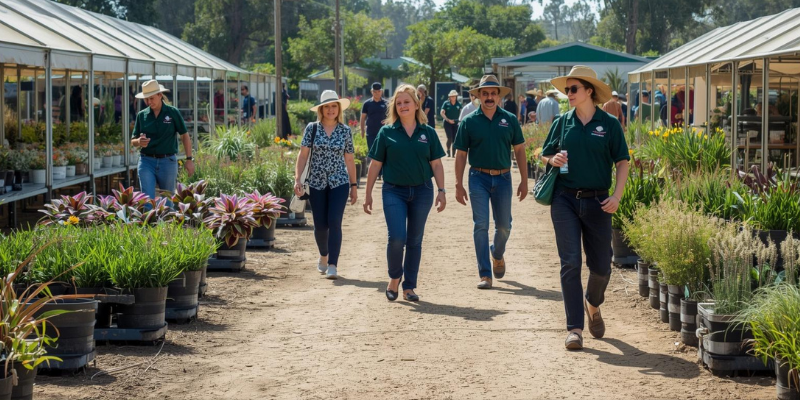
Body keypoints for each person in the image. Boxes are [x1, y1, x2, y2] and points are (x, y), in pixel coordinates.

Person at [539, 65, 630, 351]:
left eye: (573, 89)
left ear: (589, 91)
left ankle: (593, 303)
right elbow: (544, 153)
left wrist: (617, 196)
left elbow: (623, 162)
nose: (568, 94)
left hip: (598, 200)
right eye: (566, 90)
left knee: (602, 266)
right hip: (564, 199)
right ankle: (574, 329)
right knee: (570, 263)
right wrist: (551, 160)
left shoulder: (609, 124)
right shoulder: (562, 121)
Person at [363, 84, 446, 302]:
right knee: (397, 238)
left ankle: (409, 287)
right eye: (398, 103)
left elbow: (436, 164)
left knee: (415, 240)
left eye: (406, 102)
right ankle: (394, 278)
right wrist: (368, 193)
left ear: (417, 103)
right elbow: (375, 164)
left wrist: (442, 190)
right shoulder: (386, 132)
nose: (402, 106)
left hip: (423, 191)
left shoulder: (428, 133)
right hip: (393, 191)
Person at [454, 75, 528, 290]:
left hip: (504, 178)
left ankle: (497, 253)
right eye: (484, 93)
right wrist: (458, 184)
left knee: (504, 226)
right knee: (481, 225)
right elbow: (460, 154)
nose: (488, 97)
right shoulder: (469, 122)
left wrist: (524, 180)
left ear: (498, 96)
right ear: (478, 96)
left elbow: (520, 150)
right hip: (478, 177)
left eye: (492, 93)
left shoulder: (510, 120)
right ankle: (485, 274)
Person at [294, 90, 358, 280]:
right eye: (327, 107)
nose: (331, 110)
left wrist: (354, 185)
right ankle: (324, 255)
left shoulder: (345, 131)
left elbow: (349, 159)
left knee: (334, 222)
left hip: (339, 181)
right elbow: (303, 154)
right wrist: (297, 179)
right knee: (321, 225)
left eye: (334, 106)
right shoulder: (312, 128)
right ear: (321, 109)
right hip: (316, 182)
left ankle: (333, 264)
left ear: (339, 109)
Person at [130, 80, 195, 200]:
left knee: (168, 201)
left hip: (167, 162)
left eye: (151, 98)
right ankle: (150, 219)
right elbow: (133, 140)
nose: (149, 102)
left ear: (160, 95)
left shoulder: (172, 112)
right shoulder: (142, 115)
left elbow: (184, 135)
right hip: (146, 161)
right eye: (146, 99)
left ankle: (168, 218)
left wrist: (189, 159)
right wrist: (139, 141)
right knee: (147, 200)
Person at [360, 82, 388, 178]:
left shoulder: (386, 103)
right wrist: (362, 130)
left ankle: (381, 173)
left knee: (383, 152)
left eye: (378, 91)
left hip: (383, 133)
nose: (377, 93)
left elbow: (391, 116)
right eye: (375, 91)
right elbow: (363, 117)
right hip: (371, 132)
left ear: (381, 92)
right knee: (373, 153)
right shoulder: (367, 104)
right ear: (372, 92)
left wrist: (387, 121)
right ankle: (375, 173)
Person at [440, 90, 462, 157]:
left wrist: (459, 120)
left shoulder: (458, 104)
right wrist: (447, 119)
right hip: (447, 123)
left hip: (456, 123)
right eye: (452, 96)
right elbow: (442, 112)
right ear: (449, 97)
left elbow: (461, 113)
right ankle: (448, 151)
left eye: (454, 96)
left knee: (455, 138)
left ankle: (453, 153)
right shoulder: (446, 103)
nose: (453, 98)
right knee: (449, 138)